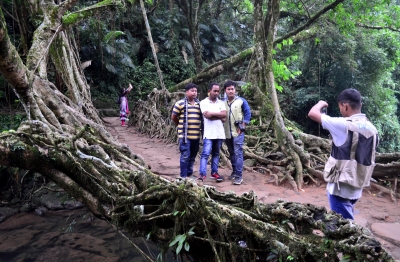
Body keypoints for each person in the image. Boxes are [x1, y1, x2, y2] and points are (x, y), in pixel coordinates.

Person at [308, 88, 379, 220]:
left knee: (344, 227)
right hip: (357, 187)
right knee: (344, 218)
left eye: (340, 106)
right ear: (360, 105)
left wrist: (321, 103)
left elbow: (313, 113)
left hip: (339, 187)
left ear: (345, 106)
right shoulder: (373, 130)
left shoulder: (343, 125)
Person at [223, 80, 251, 185]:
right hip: (227, 132)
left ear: (235, 90)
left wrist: (243, 125)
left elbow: (247, 113)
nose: (231, 91)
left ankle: (239, 176)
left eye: (232, 89)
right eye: (228, 89)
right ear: (225, 91)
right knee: (231, 152)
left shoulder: (241, 101)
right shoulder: (222, 102)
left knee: (238, 153)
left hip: (238, 131)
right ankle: (234, 171)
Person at [171, 83, 202, 179]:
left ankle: (189, 174)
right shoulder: (179, 103)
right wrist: (180, 126)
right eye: (192, 91)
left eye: (195, 91)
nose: (194, 93)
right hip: (185, 136)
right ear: (186, 92)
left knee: (192, 156)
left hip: (196, 136)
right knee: (185, 155)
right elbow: (174, 117)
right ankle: (183, 176)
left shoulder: (199, 104)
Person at [198, 82, 226, 182]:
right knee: (205, 154)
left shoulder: (221, 103)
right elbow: (207, 116)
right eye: (214, 91)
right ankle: (202, 174)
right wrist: (219, 116)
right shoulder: (203, 102)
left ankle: (214, 173)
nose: (216, 93)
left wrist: (213, 114)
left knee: (216, 154)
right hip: (209, 133)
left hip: (219, 133)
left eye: (218, 91)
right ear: (209, 91)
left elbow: (224, 115)